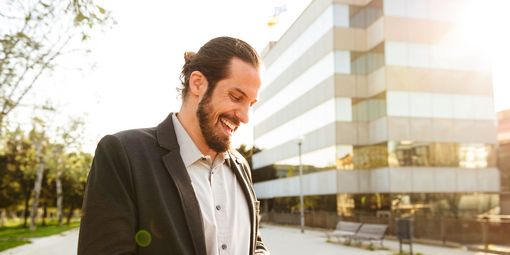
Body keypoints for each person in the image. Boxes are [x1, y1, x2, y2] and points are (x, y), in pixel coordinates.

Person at [78, 36, 270, 255]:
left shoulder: (240, 164)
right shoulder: (123, 154)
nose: (245, 117)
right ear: (198, 83)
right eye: (236, 97)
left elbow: (254, 243)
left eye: (251, 104)